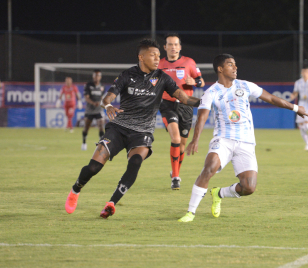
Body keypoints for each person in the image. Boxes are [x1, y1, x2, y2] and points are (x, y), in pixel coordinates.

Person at [64, 39, 200, 219]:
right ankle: (75, 190)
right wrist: (108, 106)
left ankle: (111, 203)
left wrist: (207, 102)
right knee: (94, 167)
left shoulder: (162, 78)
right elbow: (107, 98)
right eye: (153, 55)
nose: (158, 59)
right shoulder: (127, 75)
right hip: (119, 127)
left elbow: (184, 98)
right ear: (141, 57)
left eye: (159, 56)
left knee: (135, 162)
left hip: (142, 132)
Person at [178, 54, 308, 222]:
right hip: (223, 139)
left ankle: (219, 193)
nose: (235, 67)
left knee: (249, 187)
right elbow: (202, 116)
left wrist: (296, 108)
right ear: (220, 69)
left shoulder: (245, 86)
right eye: (230, 65)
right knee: (209, 168)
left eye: (235, 65)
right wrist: (195, 140)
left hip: (246, 142)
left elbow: (272, 98)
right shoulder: (211, 92)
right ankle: (190, 212)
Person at [158, 33, 205, 190]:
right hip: (167, 104)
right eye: (170, 44)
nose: (173, 47)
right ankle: (176, 178)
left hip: (186, 106)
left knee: (182, 146)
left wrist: (195, 82)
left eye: (175, 44)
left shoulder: (189, 62)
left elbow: (201, 81)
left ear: (180, 47)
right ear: (165, 47)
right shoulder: (159, 64)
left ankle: (175, 171)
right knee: (176, 138)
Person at [81, 70, 105, 151]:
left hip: (99, 110)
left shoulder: (102, 86)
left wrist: (101, 103)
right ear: (93, 76)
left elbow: (102, 97)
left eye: (98, 76)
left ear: (100, 77)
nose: (96, 77)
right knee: (86, 128)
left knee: (101, 126)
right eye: (95, 76)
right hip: (90, 110)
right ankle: (84, 143)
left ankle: (101, 144)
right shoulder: (88, 85)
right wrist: (93, 103)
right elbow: (86, 97)